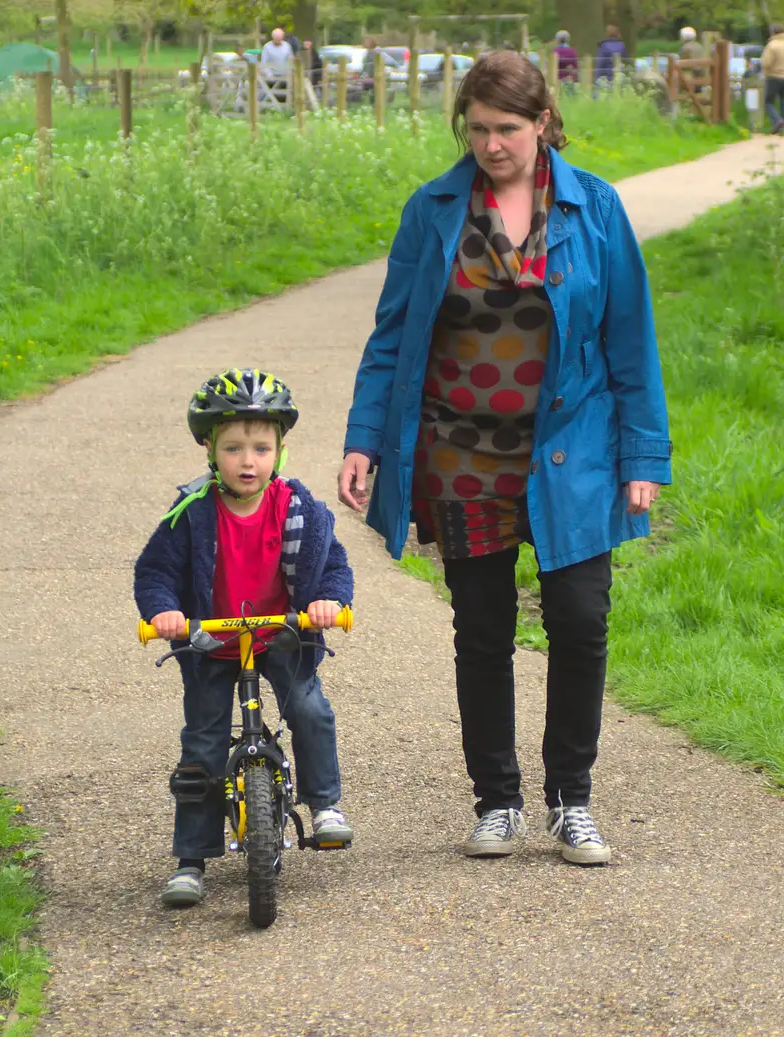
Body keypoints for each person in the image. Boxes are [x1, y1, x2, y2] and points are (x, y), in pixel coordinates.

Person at [337, 51, 671, 868]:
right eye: (478, 129)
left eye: (508, 129)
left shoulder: (595, 207)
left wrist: (644, 454)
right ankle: (497, 801)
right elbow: (392, 336)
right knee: (481, 628)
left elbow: (631, 338)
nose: (492, 145)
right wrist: (363, 438)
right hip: (461, 449)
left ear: (544, 121)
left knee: (581, 620)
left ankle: (572, 800)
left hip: (574, 447)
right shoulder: (434, 209)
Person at [136, 369, 355, 908]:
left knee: (309, 708)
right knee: (204, 746)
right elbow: (155, 573)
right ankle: (192, 857)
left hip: (281, 636)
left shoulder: (300, 508)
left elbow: (333, 566)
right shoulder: (191, 513)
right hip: (211, 642)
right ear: (209, 449)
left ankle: (324, 804)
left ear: (280, 449)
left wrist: (328, 601)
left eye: (261, 447)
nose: (248, 461)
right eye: (234, 448)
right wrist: (165, 612)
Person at [761, 22, 784, 135]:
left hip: (774, 77)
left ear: (773, 32)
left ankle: (777, 120)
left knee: (768, 102)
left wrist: (764, 70)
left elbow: (766, 63)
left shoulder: (772, 45)